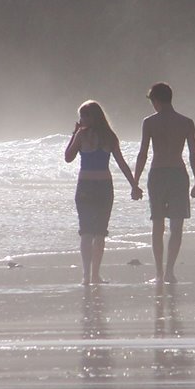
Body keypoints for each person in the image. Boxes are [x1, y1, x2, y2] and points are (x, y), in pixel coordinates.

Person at [65, 100, 142, 285]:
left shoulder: (82, 135)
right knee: (97, 233)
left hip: (85, 186)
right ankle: (93, 275)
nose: (81, 119)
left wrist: (74, 133)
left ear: (93, 116)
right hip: (104, 187)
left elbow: (68, 157)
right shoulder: (109, 136)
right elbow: (122, 164)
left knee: (89, 232)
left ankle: (88, 275)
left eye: (83, 116)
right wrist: (134, 185)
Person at [133, 82, 195, 284]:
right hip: (179, 174)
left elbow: (143, 154)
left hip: (158, 174)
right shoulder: (186, 122)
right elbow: (193, 154)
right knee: (176, 225)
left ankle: (159, 273)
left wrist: (135, 182)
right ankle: (169, 271)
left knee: (158, 224)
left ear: (156, 100)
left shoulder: (149, 122)